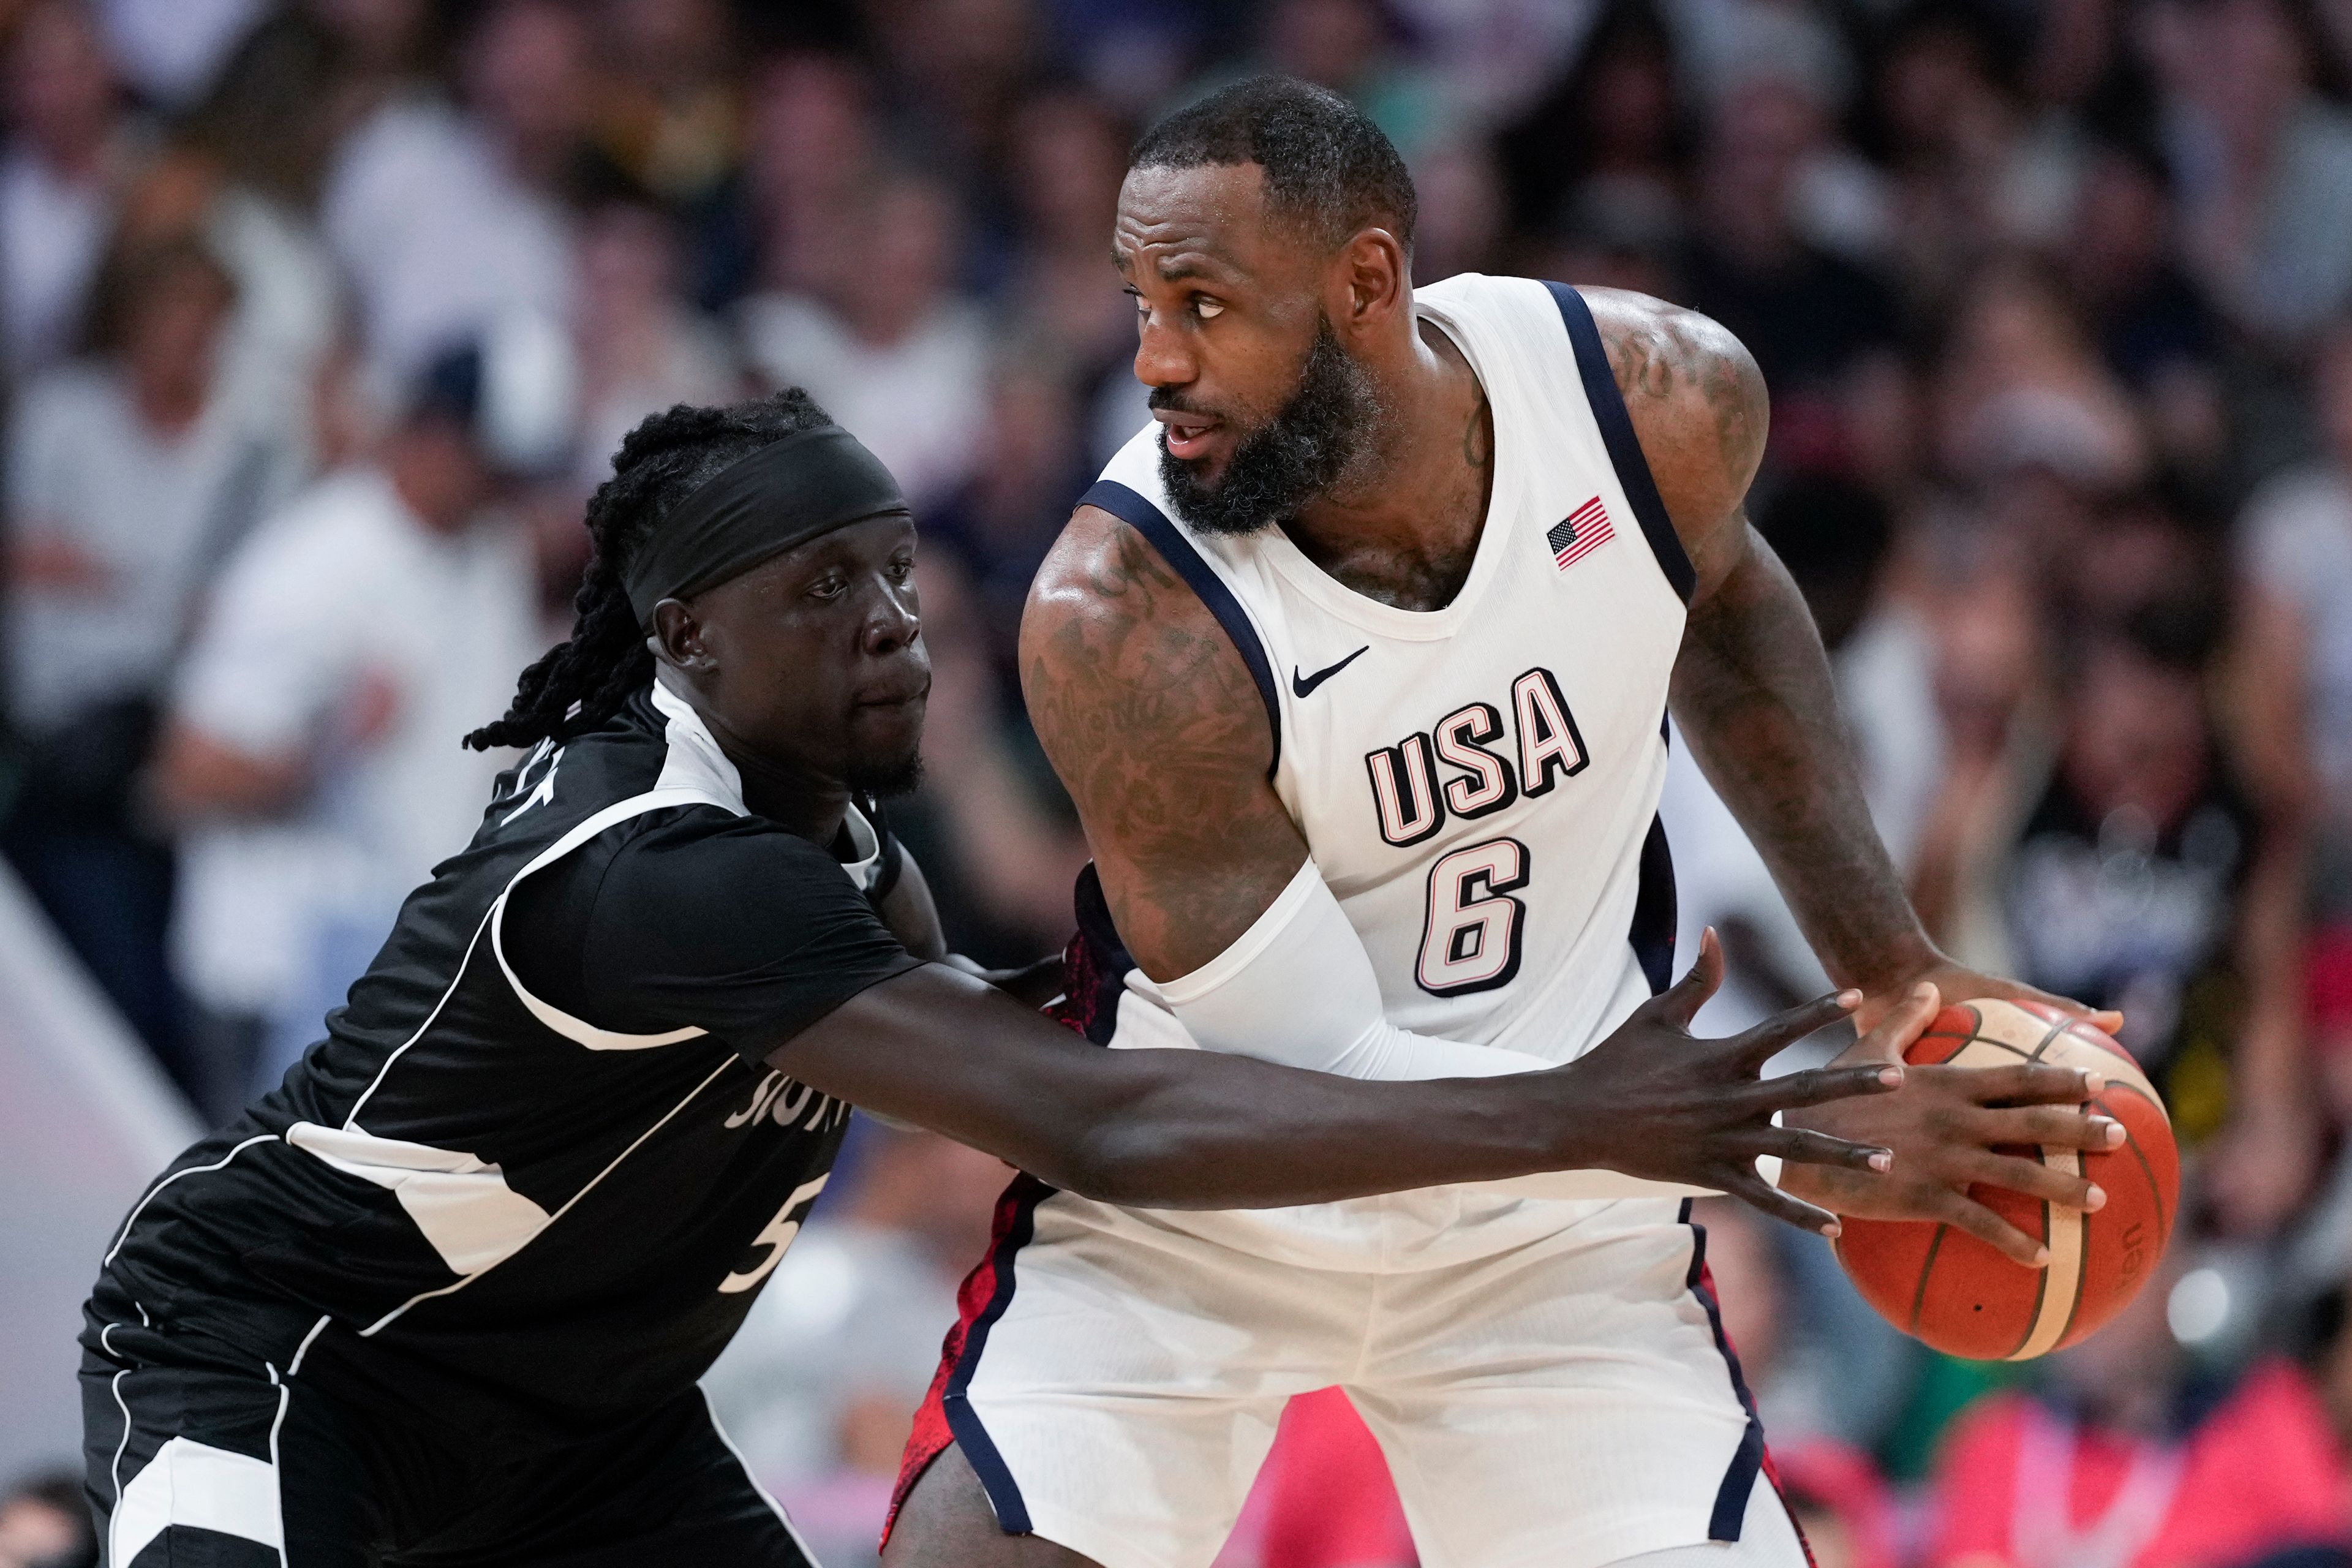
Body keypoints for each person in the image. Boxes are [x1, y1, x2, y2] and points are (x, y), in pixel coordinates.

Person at [82, 390, 1926, 1567]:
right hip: (286, 1360)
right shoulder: (652, 874)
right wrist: (1572, 1113)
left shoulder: (841, 858)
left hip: (581, 1432)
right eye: (826, 592)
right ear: (688, 637)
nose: (892, 625)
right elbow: (1103, 1116)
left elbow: (1064, 1025)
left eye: (899, 578)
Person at [886, 78, 2124, 1568]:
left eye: (1203, 303)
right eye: (1138, 301)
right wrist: (1799, 1141)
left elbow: (1722, 605)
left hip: (1556, 1243)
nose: (1155, 360)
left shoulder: (1650, 400)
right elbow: (1324, 1074)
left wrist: (1897, 978)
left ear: (1365, 284)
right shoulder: (1126, 617)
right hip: (1219, 1199)